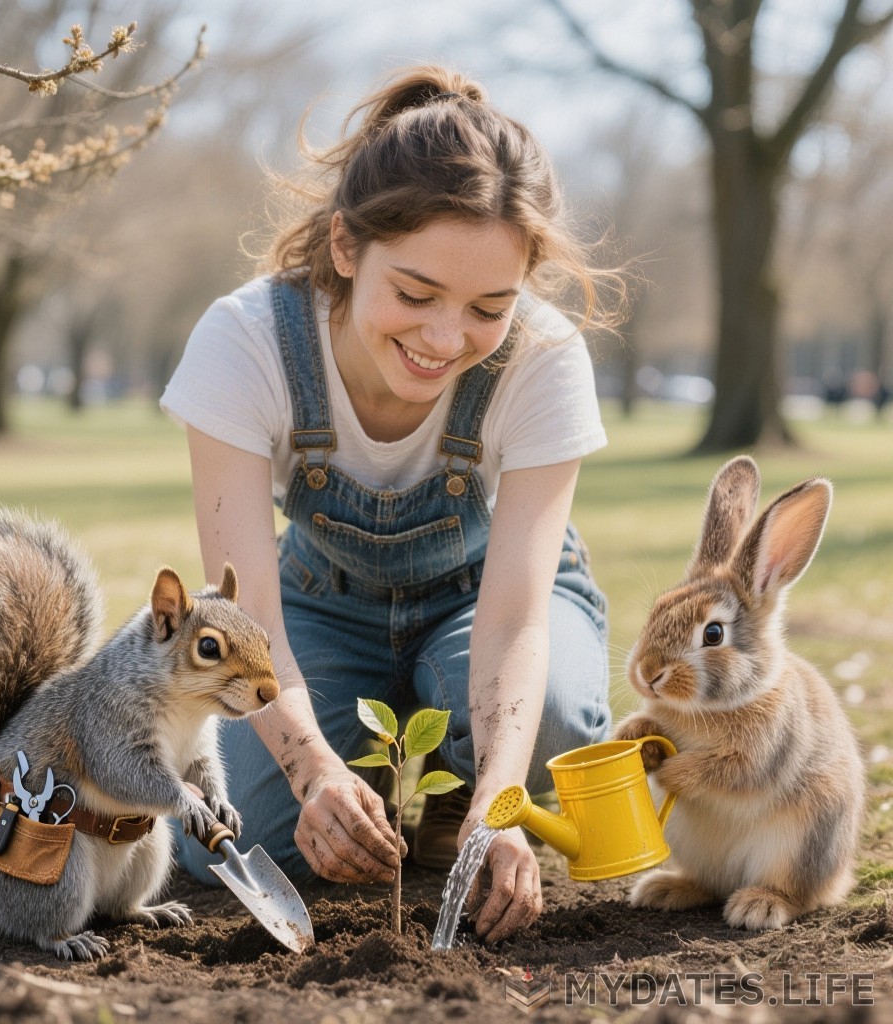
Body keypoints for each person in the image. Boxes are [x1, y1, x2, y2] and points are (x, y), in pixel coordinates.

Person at [160, 65, 623, 944]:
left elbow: (516, 621)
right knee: (241, 825)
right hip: (313, 610)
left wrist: (503, 799)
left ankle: (455, 810)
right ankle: (377, 789)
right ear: (344, 246)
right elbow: (248, 614)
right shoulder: (246, 341)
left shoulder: (544, 359)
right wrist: (312, 775)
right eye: (414, 295)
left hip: (480, 604)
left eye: (490, 305)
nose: (446, 339)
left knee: (554, 717)